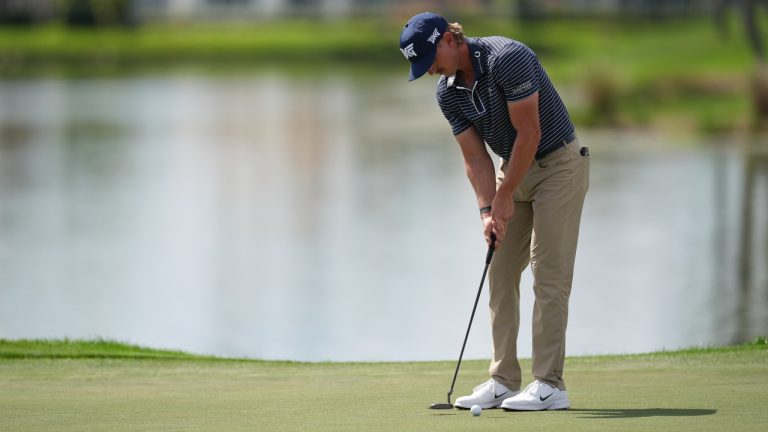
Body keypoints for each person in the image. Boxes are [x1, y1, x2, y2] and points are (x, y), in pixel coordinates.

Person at [399, 12, 589, 411]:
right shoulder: (447, 93)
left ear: (450, 38)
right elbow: (475, 159)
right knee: (499, 271)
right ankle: (503, 379)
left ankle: (550, 385)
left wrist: (505, 196)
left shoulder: (507, 58)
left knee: (548, 274)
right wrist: (488, 209)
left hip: (558, 165)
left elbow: (530, 133)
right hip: (512, 171)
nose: (429, 69)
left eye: (430, 58)